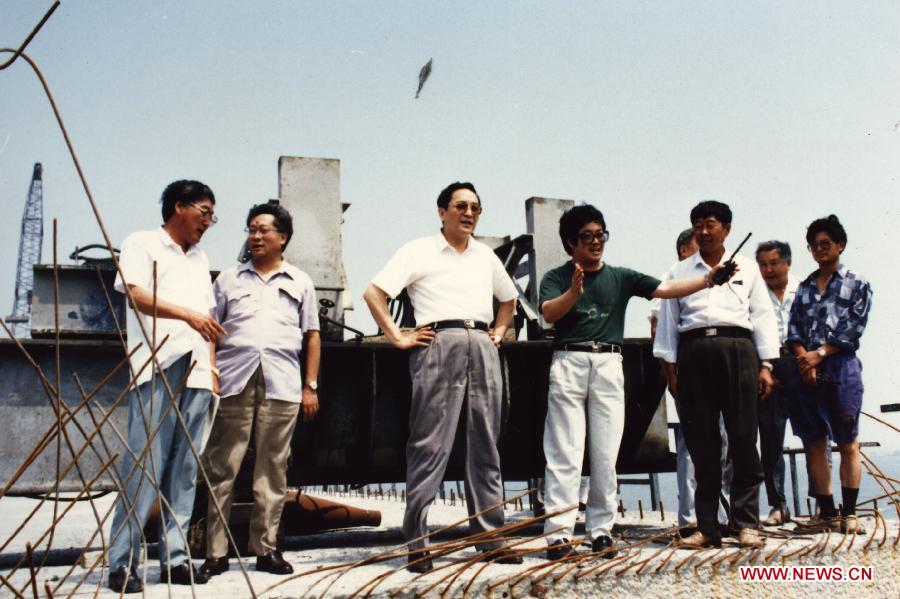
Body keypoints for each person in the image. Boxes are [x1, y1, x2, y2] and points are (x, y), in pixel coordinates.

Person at [540, 205, 733, 561]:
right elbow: (549, 313)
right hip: (569, 359)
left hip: (609, 362)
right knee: (564, 452)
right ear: (570, 242)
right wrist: (573, 293)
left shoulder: (622, 276)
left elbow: (666, 288)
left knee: (605, 452)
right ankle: (559, 535)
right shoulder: (556, 277)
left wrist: (708, 279)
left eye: (601, 235)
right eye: (587, 236)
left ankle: (600, 530)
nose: (596, 242)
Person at [363, 181, 523, 573]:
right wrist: (397, 336)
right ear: (442, 211)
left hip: (482, 344)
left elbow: (509, 300)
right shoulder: (417, 250)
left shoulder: (485, 256)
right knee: (430, 444)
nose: (469, 214)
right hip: (438, 342)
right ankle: (417, 541)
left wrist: (498, 333)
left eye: (475, 208)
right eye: (460, 206)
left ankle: (489, 537)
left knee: (485, 442)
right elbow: (373, 293)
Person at [107, 180, 226, 593]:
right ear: (180, 206)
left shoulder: (201, 257)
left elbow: (210, 322)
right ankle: (122, 563)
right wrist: (187, 316)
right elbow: (137, 295)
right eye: (204, 212)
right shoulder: (142, 243)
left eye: (213, 215)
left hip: (196, 373)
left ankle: (174, 560)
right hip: (157, 367)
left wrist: (212, 370)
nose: (208, 222)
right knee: (144, 469)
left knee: (185, 472)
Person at [199, 203, 321, 578]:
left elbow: (312, 335)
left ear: (282, 238)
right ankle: (215, 554)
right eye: (250, 229)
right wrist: (211, 372)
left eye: (263, 230)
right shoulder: (228, 280)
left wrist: (310, 386)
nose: (254, 236)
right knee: (223, 467)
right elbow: (209, 328)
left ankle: (266, 551)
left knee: (272, 470)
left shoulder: (300, 282)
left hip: (282, 383)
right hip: (234, 379)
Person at [654, 200, 780, 549]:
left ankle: (746, 524)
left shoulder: (749, 269)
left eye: (711, 224)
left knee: (742, 438)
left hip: (739, 351)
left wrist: (766, 365)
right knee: (702, 443)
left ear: (727, 229)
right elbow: (667, 325)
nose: (704, 231)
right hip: (694, 353)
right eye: (698, 224)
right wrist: (670, 369)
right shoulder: (678, 272)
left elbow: (763, 317)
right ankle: (707, 526)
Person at [785, 215, 872, 534]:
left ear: (840, 245)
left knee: (848, 441)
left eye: (826, 244)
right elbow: (793, 329)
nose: (820, 250)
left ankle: (849, 513)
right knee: (813, 441)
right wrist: (804, 360)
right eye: (813, 246)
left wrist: (818, 355)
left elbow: (854, 328)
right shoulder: (805, 287)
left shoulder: (857, 282)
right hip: (805, 369)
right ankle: (826, 513)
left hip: (841, 367)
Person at [651, 229, 731, 530]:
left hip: (716, 367)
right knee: (691, 446)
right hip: (688, 367)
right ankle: (688, 517)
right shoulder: (672, 279)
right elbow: (660, 330)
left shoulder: (718, 280)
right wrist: (672, 374)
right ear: (685, 251)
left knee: (721, 442)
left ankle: (719, 515)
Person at [755, 241, 800, 526]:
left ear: (788, 263)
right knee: (771, 437)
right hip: (768, 366)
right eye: (763, 264)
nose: (769, 270)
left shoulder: (804, 290)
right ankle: (778, 504)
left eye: (774, 263)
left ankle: (825, 503)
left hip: (800, 363)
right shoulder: (754, 292)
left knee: (816, 435)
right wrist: (765, 367)